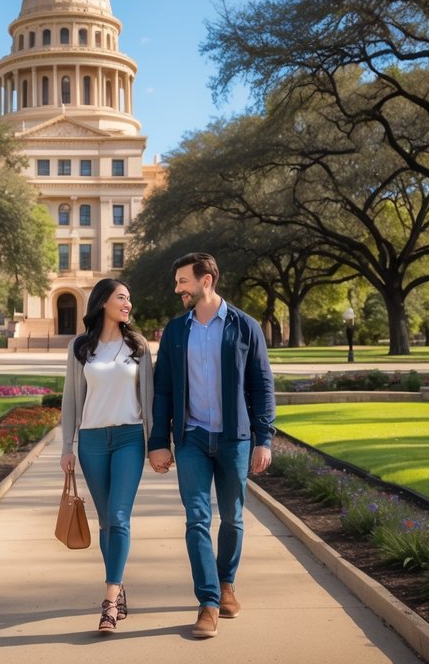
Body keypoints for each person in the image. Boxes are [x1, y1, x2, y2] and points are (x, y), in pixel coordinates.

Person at [147, 252, 275, 639]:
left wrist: (263, 438)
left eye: (183, 281)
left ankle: (226, 584)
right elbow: (163, 389)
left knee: (233, 518)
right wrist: (158, 442)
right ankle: (208, 601)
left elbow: (261, 384)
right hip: (192, 439)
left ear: (206, 281)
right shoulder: (175, 330)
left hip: (234, 438)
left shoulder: (245, 326)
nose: (177, 289)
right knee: (197, 519)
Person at [60, 278, 154, 633]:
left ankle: (110, 601)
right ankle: (119, 582)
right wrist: (67, 447)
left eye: (130, 298)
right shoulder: (80, 347)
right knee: (105, 522)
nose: (128, 303)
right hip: (92, 442)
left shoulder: (138, 346)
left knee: (118, 516)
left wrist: (159, 443)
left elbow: (150, 400)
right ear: (102, 302)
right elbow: (71, 400)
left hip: (130, 438)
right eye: (121, 297)